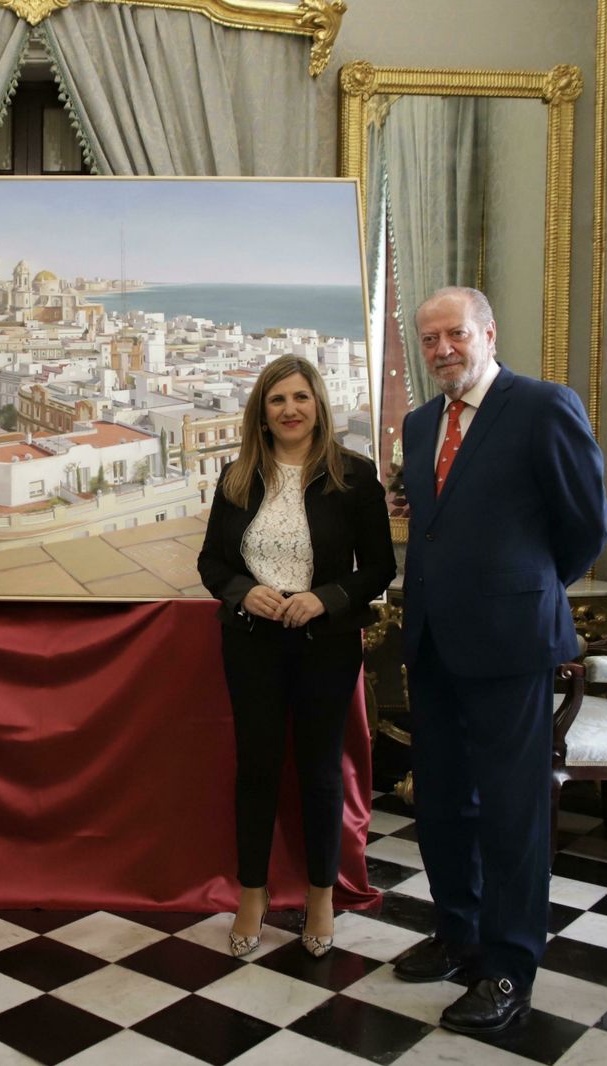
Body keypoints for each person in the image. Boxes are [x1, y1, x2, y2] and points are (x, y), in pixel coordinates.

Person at [392, 287, 607, 1034]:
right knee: (442, 801)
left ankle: (509, 967)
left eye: (454, 333)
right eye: (429, 339)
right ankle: (458, 933)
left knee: (513, 813)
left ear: (487, 332)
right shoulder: (422, 424)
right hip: (432, 640)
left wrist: (527, 589)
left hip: (511, 643)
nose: (442, 349)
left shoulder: (544, 406)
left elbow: (585, 527)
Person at [197, 355, 396, 960]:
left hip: (325, 644)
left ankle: (320, 896)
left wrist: (324, 598)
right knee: (257, 769)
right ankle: (252, 895)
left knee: (319, 772)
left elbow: (380, 567)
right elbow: (211, 562)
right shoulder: (237, 477)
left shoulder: (355, 476)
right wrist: (242, 591)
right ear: (262, 412)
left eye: (300, 397)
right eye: (278, 399)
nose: (290, 409)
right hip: (251, 642)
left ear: (318, 405)